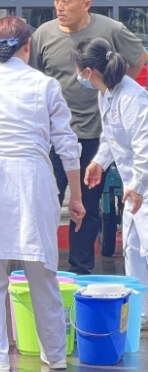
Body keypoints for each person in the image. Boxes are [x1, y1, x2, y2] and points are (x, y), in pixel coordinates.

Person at [0, 15, 86, 372]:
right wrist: (76, 195)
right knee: (42, 275)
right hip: (32, 179)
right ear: (28, 46)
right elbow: (67, 144)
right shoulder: (45, 85)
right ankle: (55, 356)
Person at [30, 0, 147, 274]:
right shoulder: (44, 35)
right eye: (56, 0)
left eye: (66, 1)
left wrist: (116, 88)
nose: (59, 6)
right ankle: (40, 266)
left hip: (95, 138)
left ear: (86, 4)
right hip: (55, 136)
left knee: (90, 207)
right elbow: (33, 80)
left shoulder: (111, 35)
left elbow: (143, 146)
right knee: (46, 201)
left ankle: (81, 268)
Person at [78, 38, 148, 309]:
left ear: (87, 72)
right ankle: (141, 313)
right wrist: (99, 162)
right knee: (133, 249)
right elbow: (110, 136)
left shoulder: (131, 97)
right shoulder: (106, 93)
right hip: (134, 185)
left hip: (141, 182)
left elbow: (144, 144)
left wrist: (138, 185)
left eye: (77, 70)